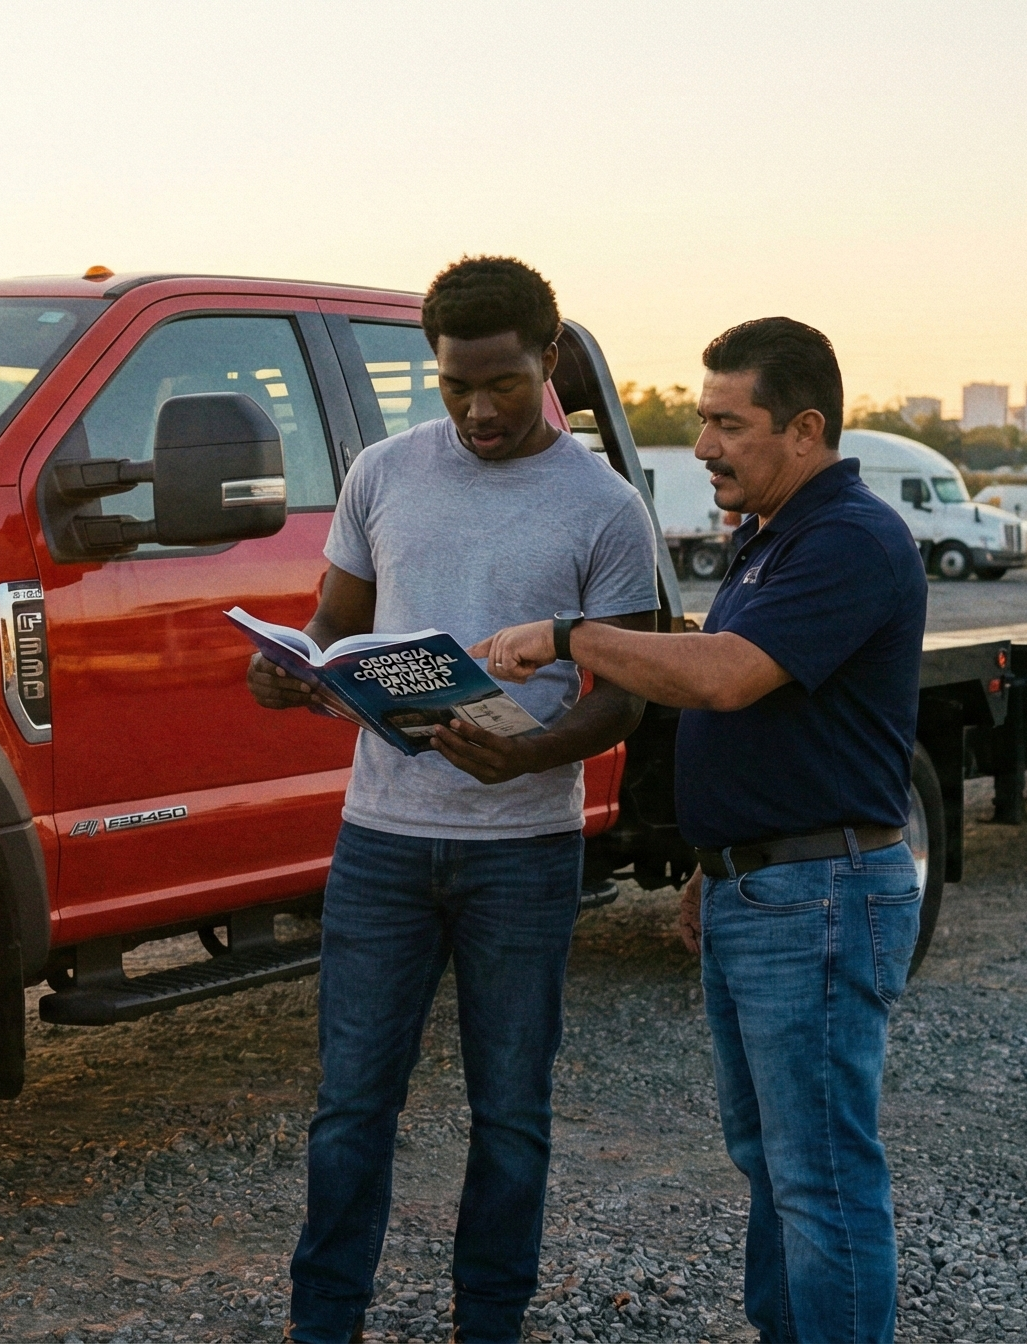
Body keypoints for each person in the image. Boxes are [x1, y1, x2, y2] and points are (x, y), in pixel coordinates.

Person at [475, 317, 925, 1344]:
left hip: (817, 898)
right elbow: (775, 719)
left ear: (805, 428)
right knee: (774, 1160)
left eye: (728, 423)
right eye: (701, 421)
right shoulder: (777, 536)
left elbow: (726, 678)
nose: (705, 447)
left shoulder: (849, 539)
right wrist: (714, 868)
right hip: (765, 889)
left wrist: (570, 635)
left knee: (820, 1175)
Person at [247, 256, 660, 1344]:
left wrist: (530, 757)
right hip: (380, 843)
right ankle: (324, 1325)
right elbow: (336, 633)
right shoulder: (383, 473)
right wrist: (293, 674)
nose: (478, 410)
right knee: (349, 1113)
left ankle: (491, 1324)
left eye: (504, 385)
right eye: (455, 386)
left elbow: (622, 700)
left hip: (522, 852)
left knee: (511, 1116)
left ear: (549, 358)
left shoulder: (607, 509)